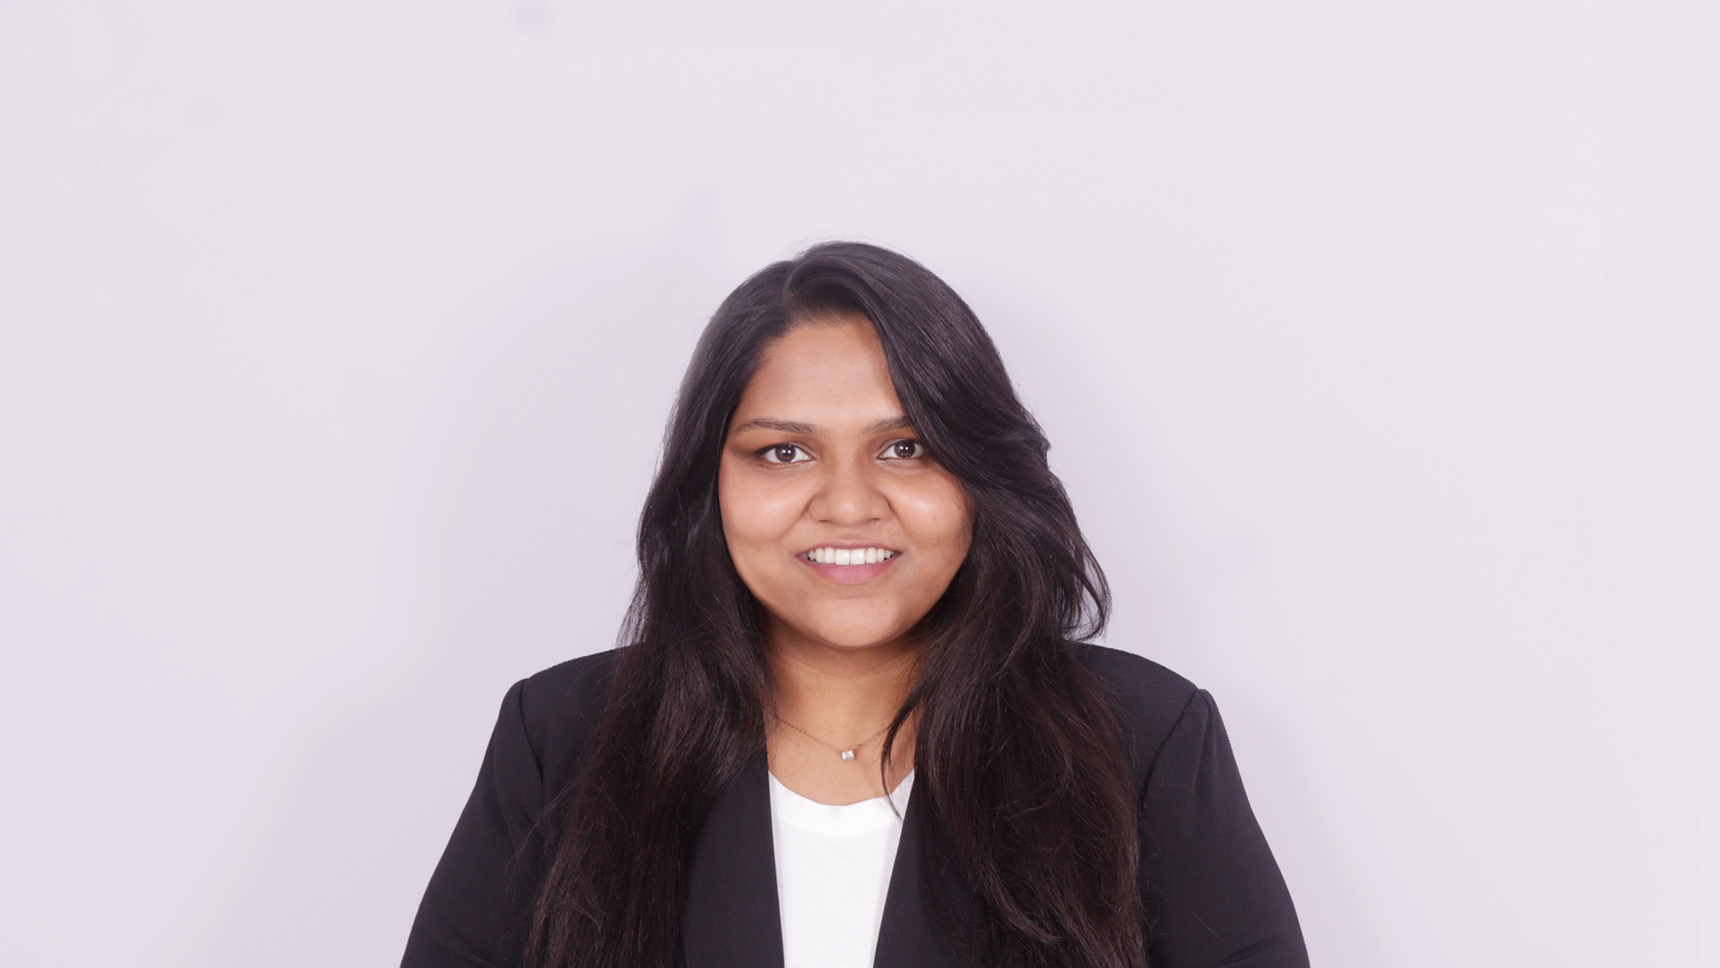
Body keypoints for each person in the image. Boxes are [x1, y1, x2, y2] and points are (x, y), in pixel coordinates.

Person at [401, 242, 1309, 968]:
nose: (846, 504)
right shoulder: (561, 739)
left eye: (906, 448)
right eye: (784, 453)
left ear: (979, 475)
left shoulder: (1142, 740)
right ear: (709, 483)